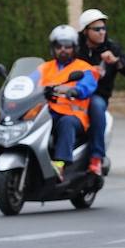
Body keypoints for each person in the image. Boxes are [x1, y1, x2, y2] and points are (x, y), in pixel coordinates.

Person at [76, 9, 125, 175]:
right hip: (73, 95)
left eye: (103, 28)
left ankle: (97, 158)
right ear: (85, 31)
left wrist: (117, 62)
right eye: (97, 29)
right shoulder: (75, 48)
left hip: (97, 96)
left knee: (97, 106)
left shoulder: (111, 48)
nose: (102, 32)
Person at [31, 25, 98, 181]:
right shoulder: (44, 67)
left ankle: (60, 164)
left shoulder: (83, 67)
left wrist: (75, 90)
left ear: (74, 48)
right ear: (53, 48)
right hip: (46, 112)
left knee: (66, 123)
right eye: (58, 46)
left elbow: (89, 84)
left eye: (67, 46)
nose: (63, 50)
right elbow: (30, 81)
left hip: (73, 115)